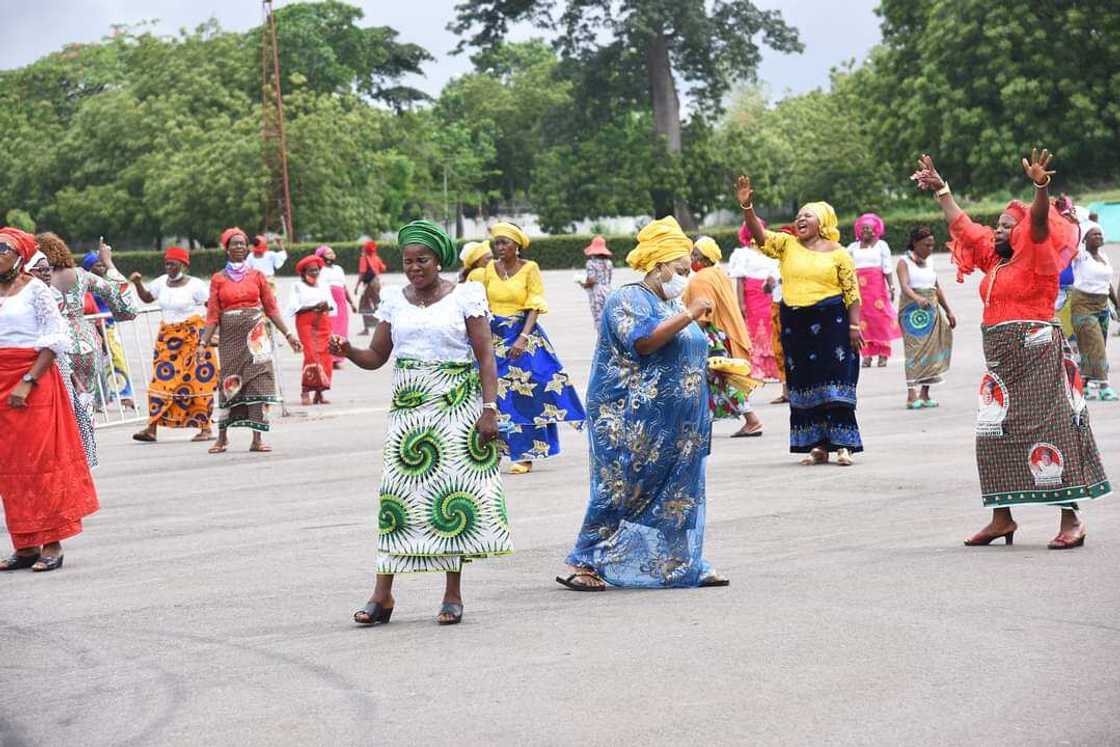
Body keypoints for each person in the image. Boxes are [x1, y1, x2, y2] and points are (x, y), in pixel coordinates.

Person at [913, 149, 1110, 549]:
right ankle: (1002, 518)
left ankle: (1072, 518)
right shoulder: (996, 261)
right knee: (993, 434)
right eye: (997, 226)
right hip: (1002, 363)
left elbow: (1038, 220)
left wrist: (1040, 188)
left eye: (1006, 227)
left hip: (1038, 356)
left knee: (1051, 431)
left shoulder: (1035, 253)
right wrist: (942, 189)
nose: (998, 231)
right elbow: (964, 226)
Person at [332, 220, 510, 626]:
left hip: (457, 408)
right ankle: (383, 594)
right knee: (396, 499)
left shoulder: (466, 296)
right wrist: (348, 350)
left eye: (422, 260)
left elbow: (486, 356)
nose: (414, 268)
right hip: (409, 412)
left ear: (439, 260)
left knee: (452, 501)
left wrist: (490, 409)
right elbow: (377, 356)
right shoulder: (395, 299)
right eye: (408, 261)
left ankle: (452, 593)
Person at [557, 217, 729, 590]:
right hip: (629, 418)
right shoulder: (628, 298)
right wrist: (690, 314)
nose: (686, 276)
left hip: (677, 422)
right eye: (681, 269)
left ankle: (681, 562)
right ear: (660, 265)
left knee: (677, 489)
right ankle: (585, 560)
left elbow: (686, 349)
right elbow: (644, 343)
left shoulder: (669, 303)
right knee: (621, 486)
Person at [737, 176, 864, 466]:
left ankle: (843, 445)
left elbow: (852, 293)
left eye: (807, 215)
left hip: (832, 321)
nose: (800, 219)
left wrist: (854, 327)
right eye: (799, 215)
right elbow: (761, 236)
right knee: (805, 383)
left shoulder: (840, 253)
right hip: (795, 322)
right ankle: (817, 445)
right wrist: (747, 207)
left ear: (822, 221)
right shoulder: (786, 244)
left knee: (836, 381)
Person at [0, 227, 98, 573]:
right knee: (10, 468)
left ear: (20, 256)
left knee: (42, 463)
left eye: (3, 248)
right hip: (1, 379)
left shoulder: (37, 291)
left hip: (33, 380)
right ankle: (24, 545)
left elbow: (54, 339)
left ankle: (52, 543)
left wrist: (28, 381)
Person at [474, 222, 586, 475]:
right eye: (497, 243)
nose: (499, 247)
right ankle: (497, 451)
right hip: (494, 336)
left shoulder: (530, 268)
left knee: (527, 394)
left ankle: (525, 454)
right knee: (495, 394)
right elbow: (482, 302)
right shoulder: (489, 269)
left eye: (504, 243)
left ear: (517, 246)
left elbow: (535, 304)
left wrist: (523, 338)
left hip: (522, 333)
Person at [200, 227, 302, 454]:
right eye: (234, 243)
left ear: (247, 248)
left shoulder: (258, 276)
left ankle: (257, 438)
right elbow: (213, 315)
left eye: (242, 243)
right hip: (230, 342)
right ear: (226, 249)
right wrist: (202, 343)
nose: (239, 247)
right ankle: (222, 437)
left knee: (258, 384)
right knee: (229, 384)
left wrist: (289, 334)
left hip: (257, 341)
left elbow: (272, 309)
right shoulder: (218, 279)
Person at [38, 233, 136, 410]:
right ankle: (85, 436)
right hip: (86, 347)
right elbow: (125, 308)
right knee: (84, 408)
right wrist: (109, 264)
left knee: (59, 410)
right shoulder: (82, 276)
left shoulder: (33, 282)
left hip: (52, 350)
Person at [128, 246, 216, 442]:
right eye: (167, 264)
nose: (169, 267)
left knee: (196, 385)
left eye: (173, 264)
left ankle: (206, 428)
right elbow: (148, 298)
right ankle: (151, 428)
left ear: (183, 264)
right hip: (167, 341)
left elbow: (212, 309)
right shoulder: (160, 282)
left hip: (192, 340)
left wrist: (212, 335)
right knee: (159, 383)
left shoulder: (196, 285)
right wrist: (138, 284)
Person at [684, 236, 764, 437]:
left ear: (704, 258)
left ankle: (752, 420)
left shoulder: (701, 279)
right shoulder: (718, 274)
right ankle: (702, 423)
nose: (691, 258)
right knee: (713, 380)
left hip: (710, 336)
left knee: (720, 379)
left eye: (695, 255)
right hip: (723, 333)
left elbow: (703, 315)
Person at [26, 251, 98, 467]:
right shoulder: (16, 297)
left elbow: (56, 339)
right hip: (24, 368)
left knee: (67, 422)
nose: (47, 274)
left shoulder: (46, 296)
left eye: (48, 268)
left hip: (53, 368)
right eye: (41, 269)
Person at [895, 226, 956, 408]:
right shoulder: (903, 261)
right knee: (914, 350)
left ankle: (925, 393)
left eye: (932, 245)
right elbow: (905, 285)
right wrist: (917, 298)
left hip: (932, 310)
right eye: (926, 245)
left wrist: (948, 310)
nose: (930, 249)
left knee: (933, 350)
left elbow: (936, 288)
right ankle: (911, 395)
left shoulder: (930, 263)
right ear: (915, 243)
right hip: (912, 312)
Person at [82, 245, 137, 409]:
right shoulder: (88, 286)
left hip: (109, 328)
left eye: (102, 264)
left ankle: (124, 395)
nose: (102, 267)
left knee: (117, 361)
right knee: (97, 366)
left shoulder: (103, 283)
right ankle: (101, 399)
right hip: (96, 329)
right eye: (97, 265)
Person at [728, 221, 781, 381]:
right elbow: (739, 279)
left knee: (772, 330)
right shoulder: (742, 254)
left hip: (770, 296)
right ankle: (757, 369)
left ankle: (773, 370)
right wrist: (741, 303)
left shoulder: (770, 251)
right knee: (754, 332)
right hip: (751, 298)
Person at [846, 213, 902, 368]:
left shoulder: (881, 245)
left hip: (877, 290)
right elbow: (845, 267)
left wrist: (891, 286)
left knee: (881, 319)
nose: (866, 231)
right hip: (859, 291)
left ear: (876, 229)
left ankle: (883, 354)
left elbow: (887, 268)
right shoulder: (852, 247)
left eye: (869, 228)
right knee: (862, 321)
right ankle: (867, 355)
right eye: (863, 228)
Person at [1069, 224, 1118, 400]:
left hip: (1102, 305)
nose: (1098, 236)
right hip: (1083, 305)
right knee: (1095, 343)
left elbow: (1108, 283)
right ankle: (1104, 386)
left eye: (1100, 234)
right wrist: (1074, 223)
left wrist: (1116, 304)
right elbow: (1072, 242)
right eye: (1093, 234)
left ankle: (1085, 384)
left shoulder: (1104, 257)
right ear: (1085, 239)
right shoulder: (1081, 257)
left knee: (1093, 346)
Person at [286, 255, 335, 405]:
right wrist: (313, 307)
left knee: (325, 356)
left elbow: (332, 304)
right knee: (311, 356)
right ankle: (305, 390)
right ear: (303, 272)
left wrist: (326, 306)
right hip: (305, 322)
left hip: (323, 323)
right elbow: (293, 307)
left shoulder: (323, 285)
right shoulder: (297, 286)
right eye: (310, 270)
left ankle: (319, 393)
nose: (314, 273)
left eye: (316, 270)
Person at [315, 245, 357, 369]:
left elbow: (344, 288)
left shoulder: (339, 269)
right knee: (329, 330)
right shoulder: (320, 270)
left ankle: (338, 358)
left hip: (341, 303)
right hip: (328, 303)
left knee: (341, 331)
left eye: (333, 253)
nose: (332, 255)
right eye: (329, 253)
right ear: (321, 256)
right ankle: (327, 358)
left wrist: (352, 303)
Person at [577, 235, 613, 326]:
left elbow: (592, 280)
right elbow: (609, 278)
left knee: (599, 318)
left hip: (597, 293)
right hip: (608, 290)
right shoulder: (609, 263)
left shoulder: (590, 263)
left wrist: (583, 284)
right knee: (609, 317)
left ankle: (601, 338)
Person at [355, 240, 387, 335]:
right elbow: (383, 268)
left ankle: (367, 329)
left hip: (369, 284)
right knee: (377, 303)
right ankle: (382, 328)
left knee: (364, 304)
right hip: (377, 282)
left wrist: (357, 286)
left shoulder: (364, 258)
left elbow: (362, 273)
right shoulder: (376, 257)